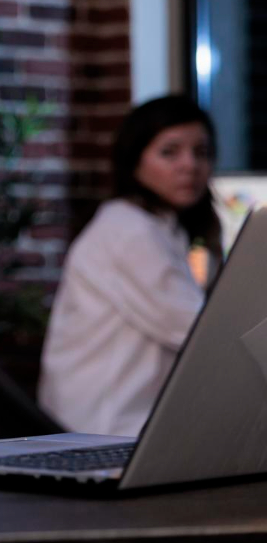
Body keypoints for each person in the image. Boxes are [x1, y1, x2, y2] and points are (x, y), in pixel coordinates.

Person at [38, 94, 221, 437]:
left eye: (202, 152)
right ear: (134, 160)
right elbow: (203, 335)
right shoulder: (129, 231)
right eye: (170, 152)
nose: (190, 165)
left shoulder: (163, 228)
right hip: (105, 431)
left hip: (129, 424)